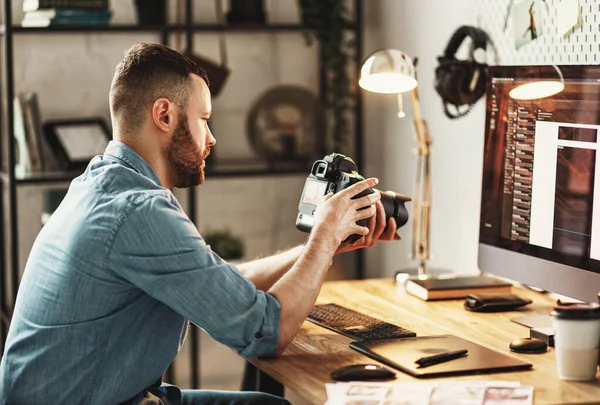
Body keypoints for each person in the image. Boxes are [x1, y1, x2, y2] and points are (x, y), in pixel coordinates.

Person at [0, 43, 400, 405]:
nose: (212, 139)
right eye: (204, 119)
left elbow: (226, 281)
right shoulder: (138, 209)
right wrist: (325, 238)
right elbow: (266, 333)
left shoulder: (101, 182)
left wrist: (321, 243)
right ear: (164, 115)